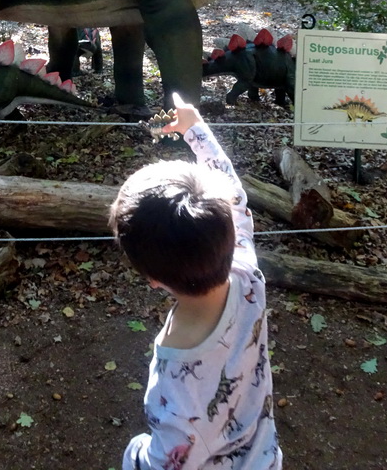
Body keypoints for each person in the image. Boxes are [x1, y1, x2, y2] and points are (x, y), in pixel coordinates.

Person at [109, 93, 282, 470]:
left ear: (153, 278)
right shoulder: (247, 274)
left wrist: (135, 455)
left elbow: (166, 462)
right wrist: (196, 130)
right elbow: (233, 194)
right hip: (262, 456)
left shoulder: (175, 383)